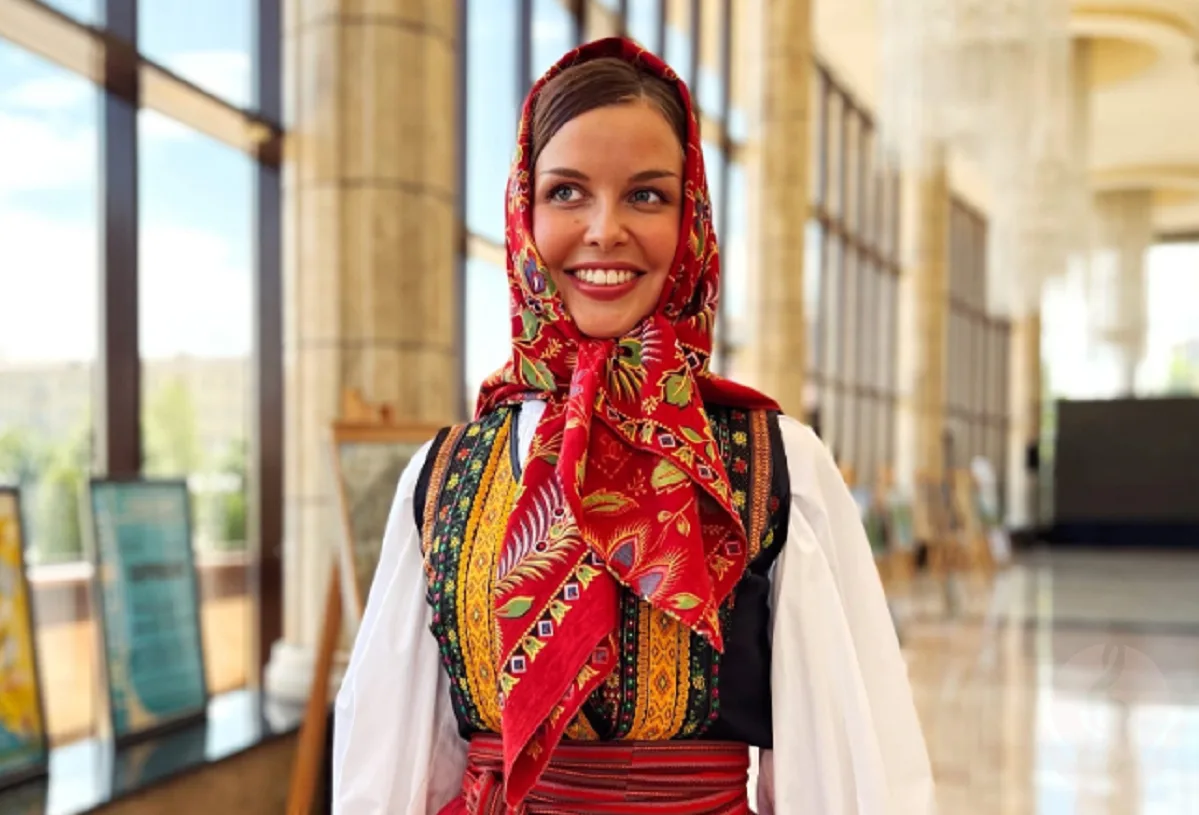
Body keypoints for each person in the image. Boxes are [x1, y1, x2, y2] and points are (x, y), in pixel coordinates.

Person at [332, 37, 935, 814]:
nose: (604, 229)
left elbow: (843, 769)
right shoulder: (442, 474)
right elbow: (396, 762)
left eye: (646, 195)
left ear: (691, 221)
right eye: (567, 192)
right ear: (523, 212)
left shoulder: (775, 463)